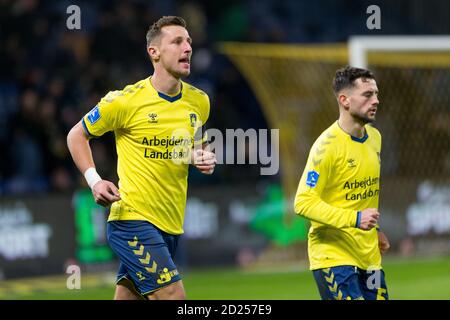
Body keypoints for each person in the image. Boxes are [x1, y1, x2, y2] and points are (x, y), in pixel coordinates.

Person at [67, 16, 216, 300]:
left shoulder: (200, 102)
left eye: (189, 42)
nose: (187, 48)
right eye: (177, 41)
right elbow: (76, 135)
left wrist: (200, 156)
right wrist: (94, 181)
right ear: (154, 52)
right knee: (174, 296)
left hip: (169, 225)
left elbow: (192, 146)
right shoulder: (125, 101)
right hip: (131, 221)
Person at [294, 66, 390, 300]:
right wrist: (355, 219)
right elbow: (303, 203)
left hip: (369, 257)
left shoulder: (375, 138)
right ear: (344, 100)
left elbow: (361, 194)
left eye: (376, 94)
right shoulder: (325, 148)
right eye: (367, 95)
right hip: (333, 258)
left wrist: (374, 230)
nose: (375, 100)